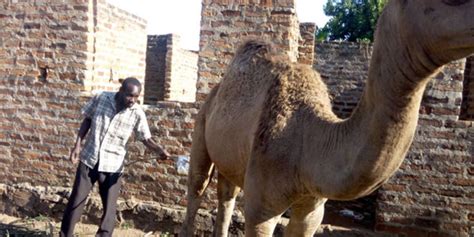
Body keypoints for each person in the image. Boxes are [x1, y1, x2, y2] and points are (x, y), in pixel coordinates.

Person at [60, 77, 170, 237]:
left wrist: (159, 150)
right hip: (89, 159)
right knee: (76, 202)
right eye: (130, 96)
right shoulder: (101, 98)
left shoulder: (137, 113)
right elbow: (87, 120)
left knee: (109, 210)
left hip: (113, 167)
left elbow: (145, 138)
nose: (133, 100)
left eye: (136, 97)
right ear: (121, 91)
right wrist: (77, 145)